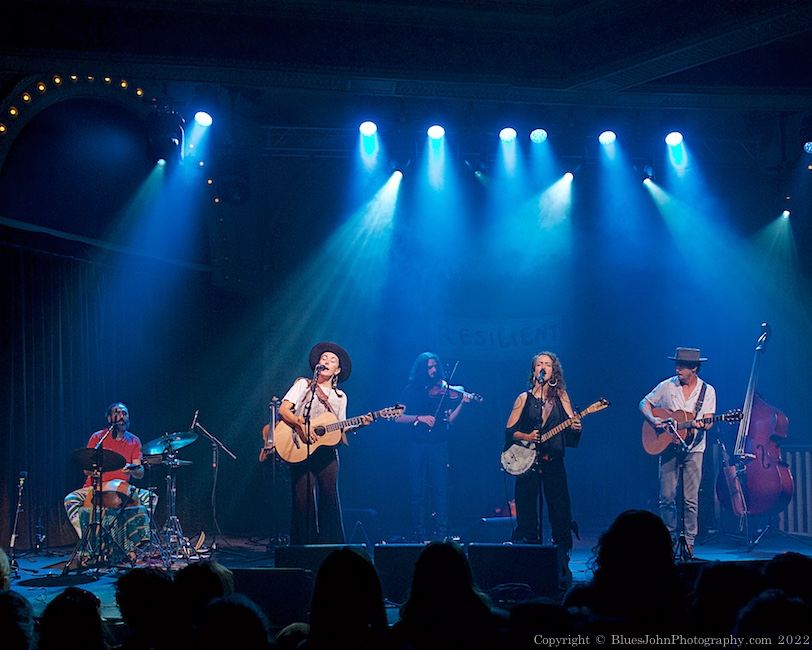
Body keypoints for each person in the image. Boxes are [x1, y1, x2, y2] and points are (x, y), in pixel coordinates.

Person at [278, 342, 370, 545]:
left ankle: (332, 547)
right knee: (303, 501)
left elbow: (340, 427)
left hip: (327, 453)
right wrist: (301, 424)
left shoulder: (340, 397)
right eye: (324, 358)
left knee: (329, 499)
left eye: (332, 360)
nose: (327, 361)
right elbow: (283, 410)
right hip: (299, 447)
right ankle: (303, 547)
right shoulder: (303, 385)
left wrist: (359, 425)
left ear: (337, 370)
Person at [639, 347, 716, 559]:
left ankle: (689, 542)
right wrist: (654, 420)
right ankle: (669, 541)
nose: (678, 369)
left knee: (691, 499)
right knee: (666, 497)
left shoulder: (707, 391)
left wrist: (702, 424)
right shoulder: (667, 386)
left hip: (694, 448)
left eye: (682, 366)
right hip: (669, 447)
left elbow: (708, 420)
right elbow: (644, 403)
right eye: (677, 364)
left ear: (694, 368)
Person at [503, 351, 582, 549]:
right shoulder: (524, 398)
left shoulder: (561, 396)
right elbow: (510, 431)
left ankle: (561, 556)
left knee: (560, 509)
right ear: (534, 371)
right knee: (527, 508)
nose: (543, 367)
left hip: (553, 460)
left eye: (548, 364)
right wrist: (527, 436)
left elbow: (571, 422)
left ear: (553, 370)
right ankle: (530, 549)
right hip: (528, 463)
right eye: (539, 364)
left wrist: (576, 427)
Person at [395, 352, 471, 541]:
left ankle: (443, 533)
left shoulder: (443, 391)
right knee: (417, 489)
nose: (434, 370)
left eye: (435, 366)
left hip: (439, 444)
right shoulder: (410, 390)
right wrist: (419, 418)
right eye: (429, 367)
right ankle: (420, 533)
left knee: (440, 489)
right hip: (416, 445)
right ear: (422, 369)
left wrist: (462, 403)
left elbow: (449, 421)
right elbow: (398, 417)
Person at [63, 403, 155, 552]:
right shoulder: (98, 437)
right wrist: (96, 470)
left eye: (124, 414)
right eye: (117, 413)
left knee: (151, 498)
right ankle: (86, 539)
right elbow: (87, 470)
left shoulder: (134, 441)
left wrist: (132, 471)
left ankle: (137, 541)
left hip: (122, 491)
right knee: (70, 500)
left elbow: (140, 472)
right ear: (109, 418)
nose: (121, 417)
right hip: (95, 489)